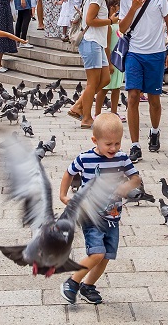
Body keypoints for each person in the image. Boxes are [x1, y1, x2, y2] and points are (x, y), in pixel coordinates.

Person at [59, 111, 141, 305]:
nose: (113, 148)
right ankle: (72, 282)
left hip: (113, 218)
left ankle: (88, 286)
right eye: (108, 144)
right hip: (91, 217)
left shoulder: (122, 159)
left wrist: (126, 186)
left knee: (105, 257)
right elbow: (69, 173)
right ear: (95, 140)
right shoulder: (85, 158)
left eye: (117, 143)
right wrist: (63, 195)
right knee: (97, 253)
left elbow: (136, 179)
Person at [116, 0, 168, 162]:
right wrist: (133, 7)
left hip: (156, 53)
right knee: (132, 96)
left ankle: (155, 130)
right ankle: (134, 145)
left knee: (154, 100)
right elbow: (122, 28)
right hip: (134, 53)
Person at [70, 0, 117, 126]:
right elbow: (90, 20)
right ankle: (86, 117)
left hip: (97, 42)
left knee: (105, 78)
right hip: (91, 41)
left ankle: (78, 106)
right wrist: (110, 21)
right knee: (92, 82)